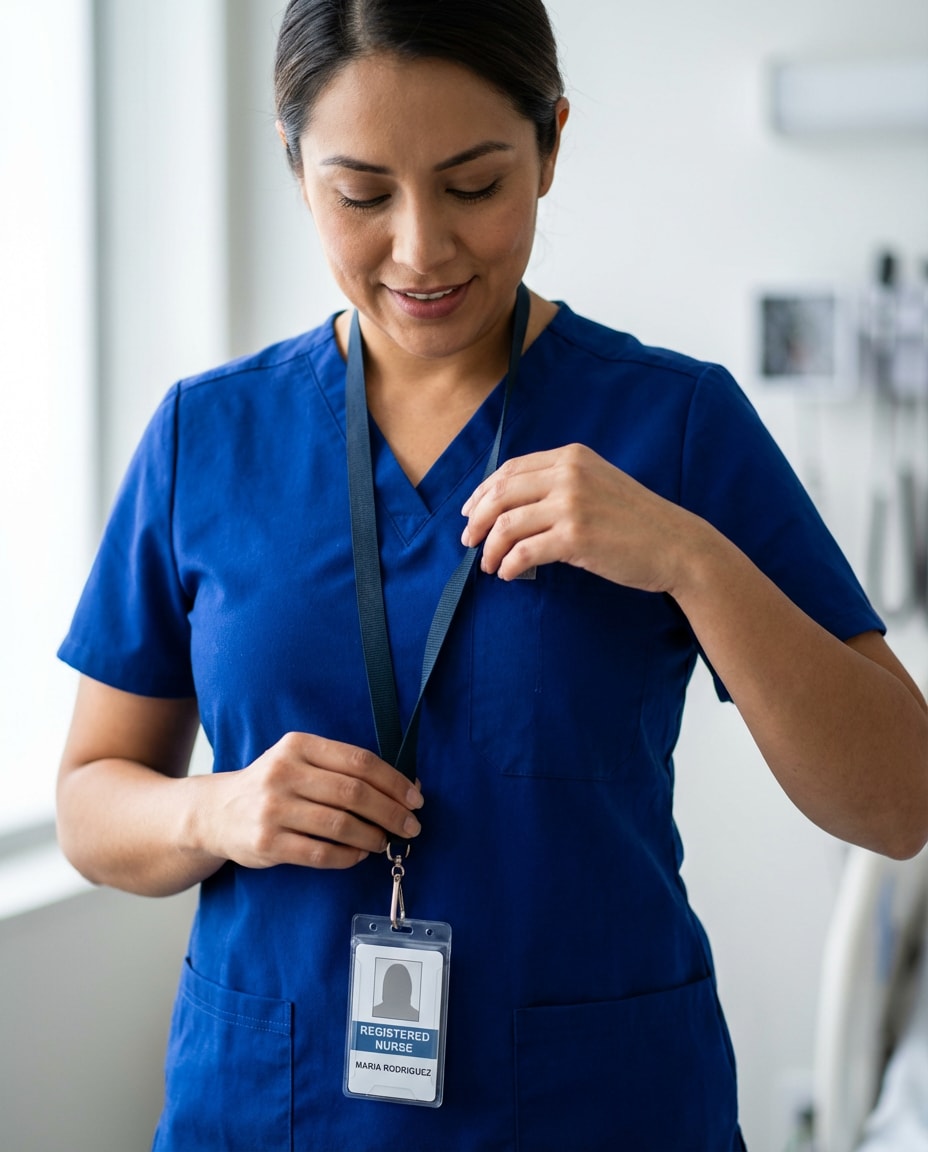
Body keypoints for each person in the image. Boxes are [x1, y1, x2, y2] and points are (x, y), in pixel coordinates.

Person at [55, 1, 928, 1148]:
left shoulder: (673, 424)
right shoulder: (204, 439)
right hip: (277, 1103)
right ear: (292, 161)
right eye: (361, 193)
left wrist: (686, 557)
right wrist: (215, 809)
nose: (421, 248)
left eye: (473, 185)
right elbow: (91, 801)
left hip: (595, 1104)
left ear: (551, 145)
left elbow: (899, 800)